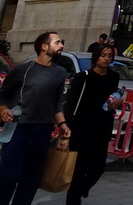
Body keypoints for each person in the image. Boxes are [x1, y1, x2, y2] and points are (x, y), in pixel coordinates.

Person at [0, 31, 73, 205]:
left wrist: (62, 123)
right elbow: (2, 95)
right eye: (57, 42)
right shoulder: (22, 70)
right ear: (44, 46)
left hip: (43, 131)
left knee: (31, 180)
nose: (61, 45)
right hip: (19, 129)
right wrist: (3, 109)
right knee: (8, 177)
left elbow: (56, 102)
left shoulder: (60, 72)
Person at [64, 44, 121, 205]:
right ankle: (73, 200)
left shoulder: (113, 76)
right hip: (81, 127)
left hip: (102, 126)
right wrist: (66, 126)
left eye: (109, 55)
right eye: (103, 55)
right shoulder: (84, 77)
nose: (106, 59)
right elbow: (71, 103)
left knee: (98, 168)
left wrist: (118, 101)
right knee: (78, 170)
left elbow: (114, 96)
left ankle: (83, 187)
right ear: (96, 57)